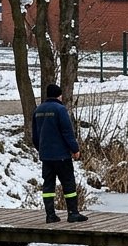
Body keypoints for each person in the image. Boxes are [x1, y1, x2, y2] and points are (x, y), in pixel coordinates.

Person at [31, 83, 87, 223]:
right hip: (61, 155)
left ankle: (50, 215)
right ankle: (73, 213)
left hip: (46, 156)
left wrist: (41, 149)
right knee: (68, 183)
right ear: (59, 95)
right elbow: (67, 132)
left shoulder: (38, 110)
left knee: (48, 185)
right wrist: (75, 149)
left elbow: (35, 136)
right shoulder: (60, 109)